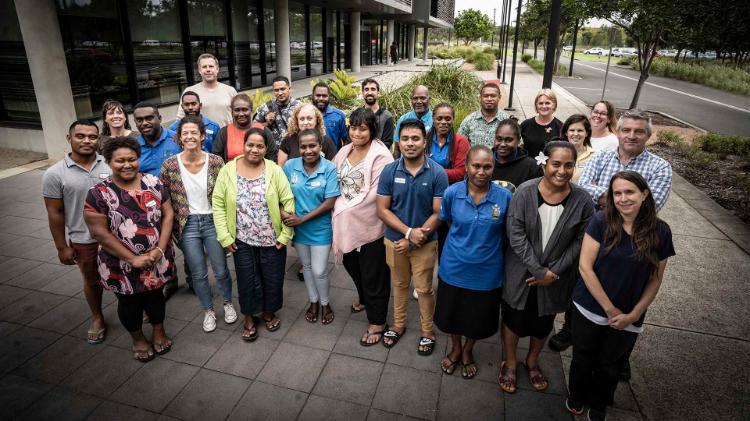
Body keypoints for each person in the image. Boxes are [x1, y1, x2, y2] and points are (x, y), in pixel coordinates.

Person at [565, 171, 674, 421]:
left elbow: (655, 278)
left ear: (644, 194)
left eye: (629, 192)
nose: (623, 198)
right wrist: (610, 310)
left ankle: (600, 400)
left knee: (611, 362)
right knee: (583, 355)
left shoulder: (661, 231)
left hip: (629, 312)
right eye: (617, 193)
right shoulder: (600, 221)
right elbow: (585, 267)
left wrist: (634, 314)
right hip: (590, 306)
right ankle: (577, 394)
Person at [498, 141, 595, 394]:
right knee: (513, 319)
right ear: (544, 163)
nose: (562, 171)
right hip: (521, 273)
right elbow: (515, 233)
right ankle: (509, 362)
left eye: (568, 165)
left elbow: (581, 239)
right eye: (556, 164)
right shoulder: (525, 192)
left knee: (543, 321)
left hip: (556, 276)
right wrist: (537, 270)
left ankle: (531, 361)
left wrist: (554, 271)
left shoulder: (582, 200)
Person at [83, 136, 175, 362]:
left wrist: (160, 250)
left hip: (156, 258)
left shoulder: (153, 183)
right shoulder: (98, 194)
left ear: (138, 159)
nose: (126, 165)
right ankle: (138, 339)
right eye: (119, 161)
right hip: (120, 264)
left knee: (155, 297)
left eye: (132, 159)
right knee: (129, 303)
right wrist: (132, 259)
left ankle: (159, 331)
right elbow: (99, 233)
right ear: (109, 162)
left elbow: (168, 215)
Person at [435, 145, 512, 379]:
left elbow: (508, 232)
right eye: (476, 166)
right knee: (452, 315)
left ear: (493, 167)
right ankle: (456, 348)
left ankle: (468, 350)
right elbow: (447, 222)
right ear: (467, 166)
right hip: (454, 267)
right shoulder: (452, 193)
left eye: (487, 166)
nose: (481, 171)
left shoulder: (505, 197)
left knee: (477, 318)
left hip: (487, 271)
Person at [212, 128, 295, 341]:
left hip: (271, 238)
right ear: (243, 144)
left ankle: (268, 311)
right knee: (247, 279)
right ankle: (249, 316)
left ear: (266, 148)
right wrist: (225, 237)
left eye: (260, 146)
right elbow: (218, 204)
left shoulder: (274, 170)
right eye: (251, 144)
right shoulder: (228, 170)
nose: (254, 150)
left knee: (272, 278)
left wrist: (285, 235)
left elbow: (288, 201)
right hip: (241, 240)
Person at [159, 115, 236, 333]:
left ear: (202, 136)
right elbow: (164, 198)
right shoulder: (170, 165)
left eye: (194, 132)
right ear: (179, 138)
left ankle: (228, 303)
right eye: (185, 133)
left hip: (213, 221)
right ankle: (208, 310)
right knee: (198, 272)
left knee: (221, 270)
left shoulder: (216, 162)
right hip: (187, 225)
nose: (190, 136)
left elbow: (227, 193)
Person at [377, 119, 448, 354]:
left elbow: (439, 212)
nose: (410, 143)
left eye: (415, 138)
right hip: (395, 241)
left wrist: (417, 237)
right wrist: (408, 233)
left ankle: (427, 331)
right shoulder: (389, 170)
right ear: (398, 142)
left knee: (425, 288)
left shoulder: (437, 172)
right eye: (405, 139)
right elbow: (382, 209)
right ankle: (398, 325)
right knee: (398, 284)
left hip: (425, 243)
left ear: (424, 141)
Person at [42, 120, 112, 345]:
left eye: (92, 136)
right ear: (69, 138)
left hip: (117, 236)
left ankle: (134, 309)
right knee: (92, 281)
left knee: (127, 275)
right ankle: (98, 317)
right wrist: (61, 246)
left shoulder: (110, 165)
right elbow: (55, 213)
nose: (87, 141)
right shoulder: (54, 174)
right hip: (84, 239)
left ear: (98, 139)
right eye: (80, 136)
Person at [332, 107, 394, 345]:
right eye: (353, 128)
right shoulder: (344, 150)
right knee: (350, 262)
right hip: (345, 219)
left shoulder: (381, 155)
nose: (357, 133)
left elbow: (376, 193)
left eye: (363, 128)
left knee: (374, 272)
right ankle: (365, 296)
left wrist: (343, 209)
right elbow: (332, 178)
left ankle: (378, 321)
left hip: (370, 222)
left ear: (372, 130)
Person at [282, 129, 341, 324]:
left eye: (312, 145)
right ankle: (314, 302)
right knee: (306, 266)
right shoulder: (290, 166)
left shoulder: (330, 168)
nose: (308, 150)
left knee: (319, 270)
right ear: (298, 148)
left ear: (320, 146)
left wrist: (302, 219)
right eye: (303, 146)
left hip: (320, 228)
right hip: (298, 229)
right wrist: (284, 213)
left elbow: (330, 202)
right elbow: (279, 192)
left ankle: (326, 303)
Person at [578, 109, 672, 211]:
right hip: (594, 223)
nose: (631, 136)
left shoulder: (660, 167)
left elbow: (650, 207)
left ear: (648, 136)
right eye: (626, 130)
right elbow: (582, 187)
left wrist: (601, 196)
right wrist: (632, 200)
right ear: (618, 132)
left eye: (639, 132)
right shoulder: (600, 157)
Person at [426, 103, 470, 260]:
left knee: (446, 239)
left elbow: (460, 173)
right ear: (433, 119)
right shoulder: (425, 139)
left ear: (453, 120)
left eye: (447, 118)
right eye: (439, 118)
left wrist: (431, 173)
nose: (443, 122)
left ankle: (445, 276)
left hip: (451, 197)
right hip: (426, 195)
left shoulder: (460, 142)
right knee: (425, 237)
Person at [213, 94, 277, 163]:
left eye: (245, 110)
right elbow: (217, 160)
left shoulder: (263, 130)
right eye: (237, 110)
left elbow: (272, 157)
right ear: (232, 112)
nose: (241, 114)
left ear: (251, 110)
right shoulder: (223, 133)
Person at [177, 53, 237, 126]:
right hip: (201, 136)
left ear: (217, 69)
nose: (208, 70)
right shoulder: (190, 92)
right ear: (199, 70)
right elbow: (181, 119)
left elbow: (237, 115)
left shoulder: (230, 91)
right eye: (204, 67)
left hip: (226, 135)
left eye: (211, 66)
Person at [278, 103, 338, 168]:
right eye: (302, 119)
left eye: (309, 118)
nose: (305, 122)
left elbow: (333, 168)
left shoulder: (326, 141)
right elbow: (281, 168)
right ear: (297, 121)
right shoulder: (288, 140)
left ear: (316, 120)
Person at [491, 119, 543, 193]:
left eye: (508, 140)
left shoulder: (531, 167)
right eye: (499, 139)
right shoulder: (484, 161)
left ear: (518, 140)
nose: (502, 144)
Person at [254, 76, 302, 150]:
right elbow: (253, 129)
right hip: (274, 153)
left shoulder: (300, 107)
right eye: (276, 90)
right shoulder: (266, 107)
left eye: (283, 89)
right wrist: (267, 123)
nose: (280, 93)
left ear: (289, 88)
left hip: (295, 150)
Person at [457, 83, 511, 148]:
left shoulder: (507, 121)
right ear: (480, 98)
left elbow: (518, 144)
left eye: (493, 96)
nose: (489, 99)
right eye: (486, 96)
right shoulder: (469, 120)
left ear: (499, 97)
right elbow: (459, 144)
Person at [133, 102, 179, 177]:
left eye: (149, 118)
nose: (144, 123)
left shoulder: (177, 139)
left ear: (160, 118)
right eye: (139, 120)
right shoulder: (133, 147)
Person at [520, 89, 563, 158]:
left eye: (547, 103)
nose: (544, 106)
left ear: (554, 105)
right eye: (540, 103)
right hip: (528, 167)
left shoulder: (560, 127)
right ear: (536, 105)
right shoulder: (525, 125)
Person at [559, 114, 595, 184]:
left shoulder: (595, 156)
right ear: (566, 133)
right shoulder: (557, 153)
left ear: (587, 133)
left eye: (580, 130)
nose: (575, 134)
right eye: (572, 130)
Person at [361, 78, 394, 150]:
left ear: (378, 93)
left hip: (381, 157)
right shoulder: (357, 115)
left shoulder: (387, 116)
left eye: (373, 89)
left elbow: (387, 142)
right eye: (366, 89)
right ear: (362, 93)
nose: (369, 92)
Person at [312, 82, 347, 148]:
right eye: (318, 95)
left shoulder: (339, 116)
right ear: (313, 96)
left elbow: (347, 140)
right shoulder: (306, 115)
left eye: (324, 96)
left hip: (334, 157)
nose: (321, 98)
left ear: (329, 97)